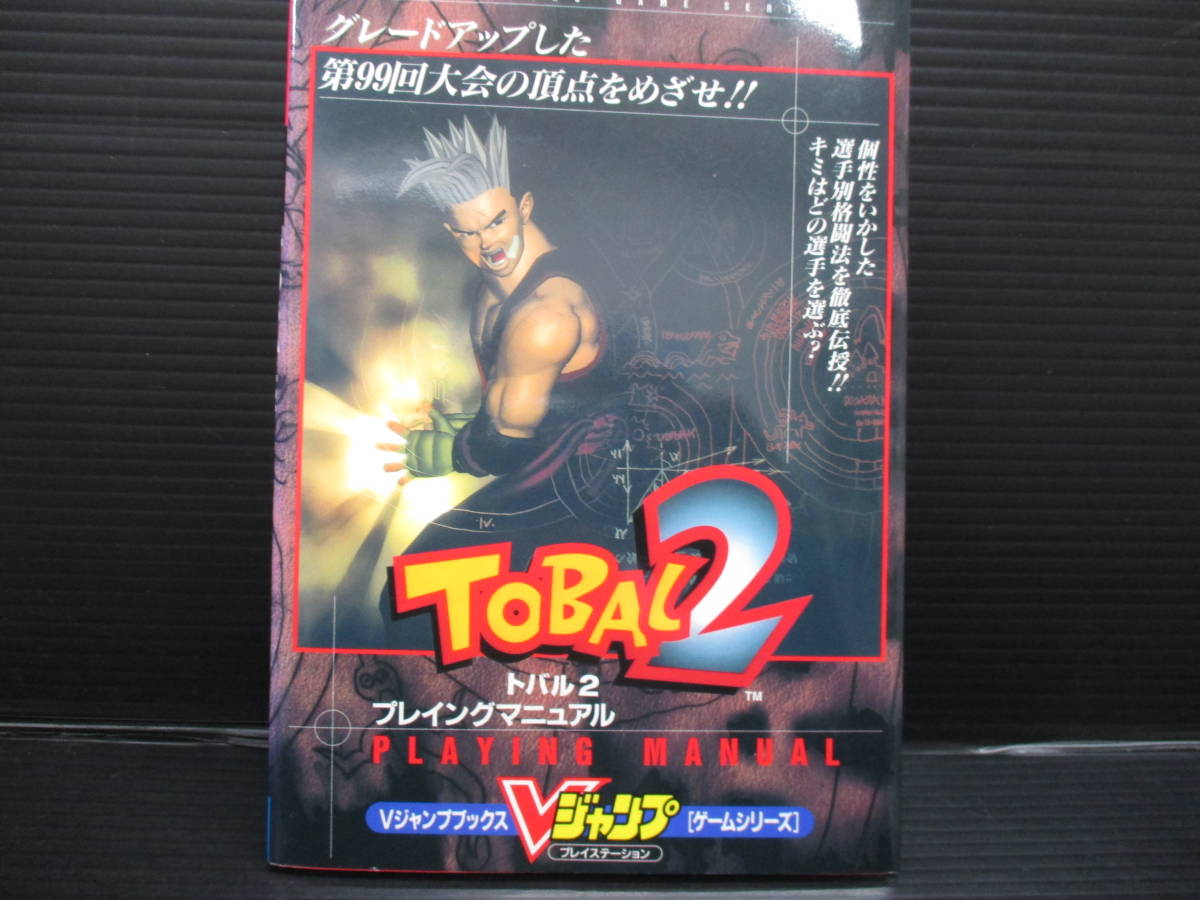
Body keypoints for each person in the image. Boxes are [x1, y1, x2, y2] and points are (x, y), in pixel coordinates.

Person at [380, 117, 629, 639]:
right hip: (548, 473)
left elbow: (507, 443)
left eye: (496, 222)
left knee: (412, 598)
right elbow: (522, 408)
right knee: (412, 603)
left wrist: (449, 453)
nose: (487, 243)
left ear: (525, 207)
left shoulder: (544, 315)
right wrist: (467, 427)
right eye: (468, 232)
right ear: (451, 232)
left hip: (587, 493)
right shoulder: (492, 289)